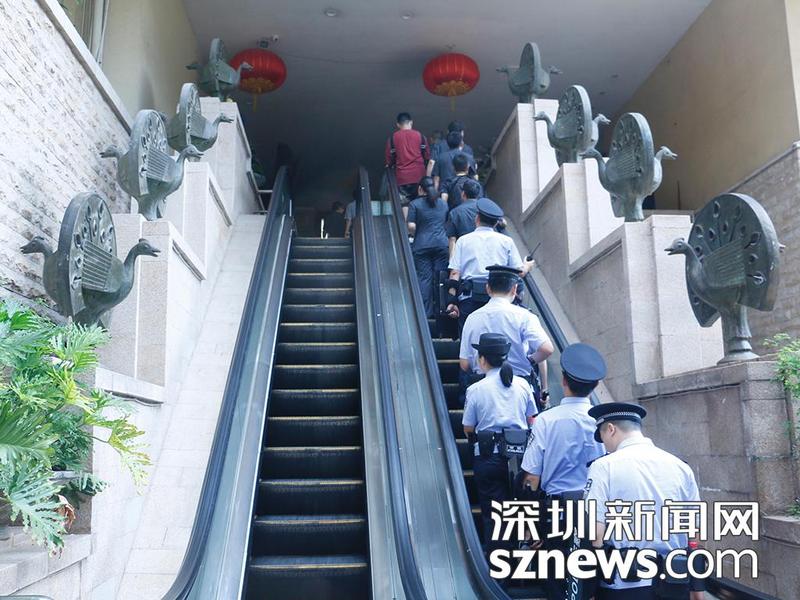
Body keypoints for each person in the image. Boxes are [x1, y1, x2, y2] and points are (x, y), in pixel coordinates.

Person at [585, 402, 705, 600]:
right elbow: (694, 534)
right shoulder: (681, 467)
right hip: (675, 583)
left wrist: (588, 589)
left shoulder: (603, 466)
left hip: (624, 585)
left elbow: (596, 534)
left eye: (603, 436)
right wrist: (697, 588)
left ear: (611, 429)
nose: (604, 444)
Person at [521, 343, 607, 600]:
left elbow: (531, 478)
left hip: (556, 514)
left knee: (558, 581)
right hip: (594, 513)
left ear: (564, 380)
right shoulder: (604, 424)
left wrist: (529, 526)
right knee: (591, 582)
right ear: (595, 385)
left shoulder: (546, 421)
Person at [462, 332, 538, 552]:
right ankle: (524, 561)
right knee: (522, 509)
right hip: (521, 457)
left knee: (495, 516)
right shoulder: (522, 384)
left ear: (482, 359)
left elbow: (468, 428)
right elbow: (531, 418)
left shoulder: (475, 390)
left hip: (489, 457)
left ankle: (499, 566)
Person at [459, 265, 554, 408]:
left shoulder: (472, 318)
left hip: (483, 387)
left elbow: (464, 364)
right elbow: (547, 349)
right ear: (514, 289)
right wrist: (529, 361)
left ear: (487, 288)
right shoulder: (525, 316)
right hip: (519, 387)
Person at [446, 198, 534, 331]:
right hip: (498, 297)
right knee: (497, 335)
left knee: (469, 336)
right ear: (495, 223)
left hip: (469, 298)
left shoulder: (463, 241)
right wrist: (527, 265)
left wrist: (452, 301)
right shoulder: (506, 241)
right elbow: (519, 272)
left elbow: (454, 273)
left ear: (477, 219)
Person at [408, 177, 450, 317]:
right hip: (441, 244)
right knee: (440, 277)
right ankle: (441, 310)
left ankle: (425, 313)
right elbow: (446, 222)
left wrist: (418, 233)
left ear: (420, 189)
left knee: (424, 278)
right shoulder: (443, 204)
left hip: (422, 245)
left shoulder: (415, 204)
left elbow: (411, 226)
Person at [385, 112, 429, 218]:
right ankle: (418, 225)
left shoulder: (392, 138)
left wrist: (389, 165)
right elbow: (427, 156)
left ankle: (407, 227)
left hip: (402, 177)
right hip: (419, 176)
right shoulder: (420, 136)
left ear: (398, 124)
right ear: (411, 122)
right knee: (421, 202)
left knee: (405, 204)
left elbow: (389, 159)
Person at [445, 179, 482, 253]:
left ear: (463, 194)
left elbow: (452, 240)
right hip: (483, 251)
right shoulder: (484, 209)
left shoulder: (455, 212)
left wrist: (452, 259)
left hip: (465, 252)